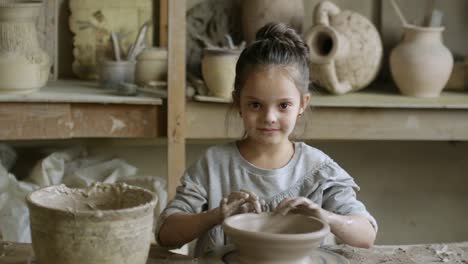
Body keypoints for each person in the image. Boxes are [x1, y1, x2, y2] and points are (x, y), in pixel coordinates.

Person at [156, 22, 377, 257]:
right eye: (255, 105)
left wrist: (324, 216)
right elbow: (165, 235)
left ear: (302, 104)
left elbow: (366, 236)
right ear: (237, 102)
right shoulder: (214, 166)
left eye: (283, 105)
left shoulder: (319, 170)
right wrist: (215, 216)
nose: (269, 117)